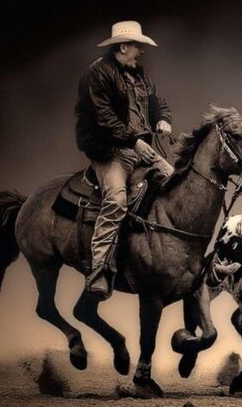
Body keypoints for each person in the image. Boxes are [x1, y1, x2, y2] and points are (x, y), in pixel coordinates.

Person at [75, 20, 175, 300]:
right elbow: (103, 118)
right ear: (122, 46)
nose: (140, 52)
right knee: (116, 200)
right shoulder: (96, 75)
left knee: (176, 182)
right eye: (137, 47)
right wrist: (134, 141)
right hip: (110, 151)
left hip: (139, 146)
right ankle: (99, 272)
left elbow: (158, 103)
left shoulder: (140, 76)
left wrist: (163, 120)